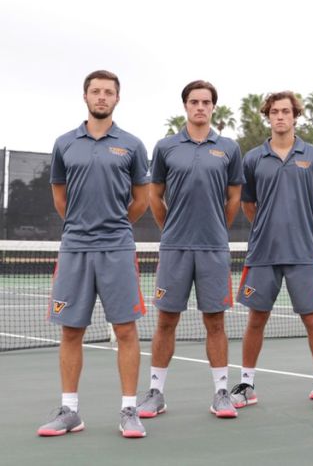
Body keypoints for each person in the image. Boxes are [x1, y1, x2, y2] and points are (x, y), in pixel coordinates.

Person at [40, 70, 150, 438]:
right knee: (71, 330)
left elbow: (141, 199)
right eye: (95, 91)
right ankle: (70, 412)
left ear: (117, 99)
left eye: (108, 92)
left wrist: (115, 224)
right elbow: (60, 195)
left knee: (126, 330)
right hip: (74, 248)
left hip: (118, 247)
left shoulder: (133, 145)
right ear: (85, 97)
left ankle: (129, 410)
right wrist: (79, 224)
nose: (101, 97)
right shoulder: (64, 143)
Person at [136, 80, 244, 420]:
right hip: (175, 247)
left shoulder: (228, 148)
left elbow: (234, 198)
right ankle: (155, 394)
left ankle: (222, 393)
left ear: (213, 107)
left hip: (213, 247)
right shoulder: (166, 146)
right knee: (166, 321)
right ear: (186, 106)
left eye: (206, 102)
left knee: (215, 321)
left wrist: (216, 229)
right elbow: (155, 195)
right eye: (194, 101)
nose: (200, 107)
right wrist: (171, 228)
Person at [230, 92, 313, 411]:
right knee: (255, 320)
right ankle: (246, 384)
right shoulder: (252, 158)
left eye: (286, 111)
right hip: (263, 252)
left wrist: (302, 226)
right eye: (274, 111)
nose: (280, 116)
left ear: (295, 116)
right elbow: (248, 204)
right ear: (268, 116)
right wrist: (267, 226)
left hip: (303, 252)